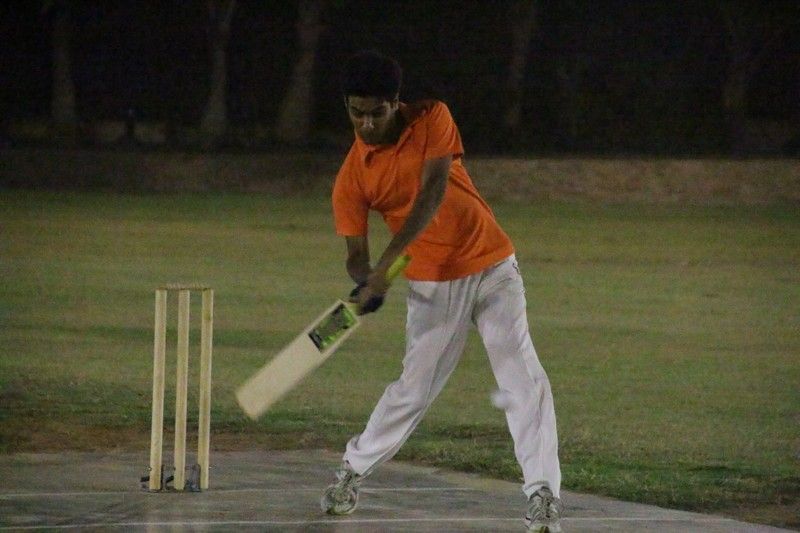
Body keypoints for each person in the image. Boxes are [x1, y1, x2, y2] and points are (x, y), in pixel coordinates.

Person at [321, 50, 563, 533]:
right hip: (434, 285)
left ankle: (543, 494)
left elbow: (431, 193)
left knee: (520, 373)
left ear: (396, 103)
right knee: (413, 389)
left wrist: (387, 265)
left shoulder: (432, 117)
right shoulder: (352, 176)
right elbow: (355, 253)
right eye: (356, 113)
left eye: (376, 112)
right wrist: (367, 279)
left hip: (493, 264)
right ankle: (352, 470)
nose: (366, 124)